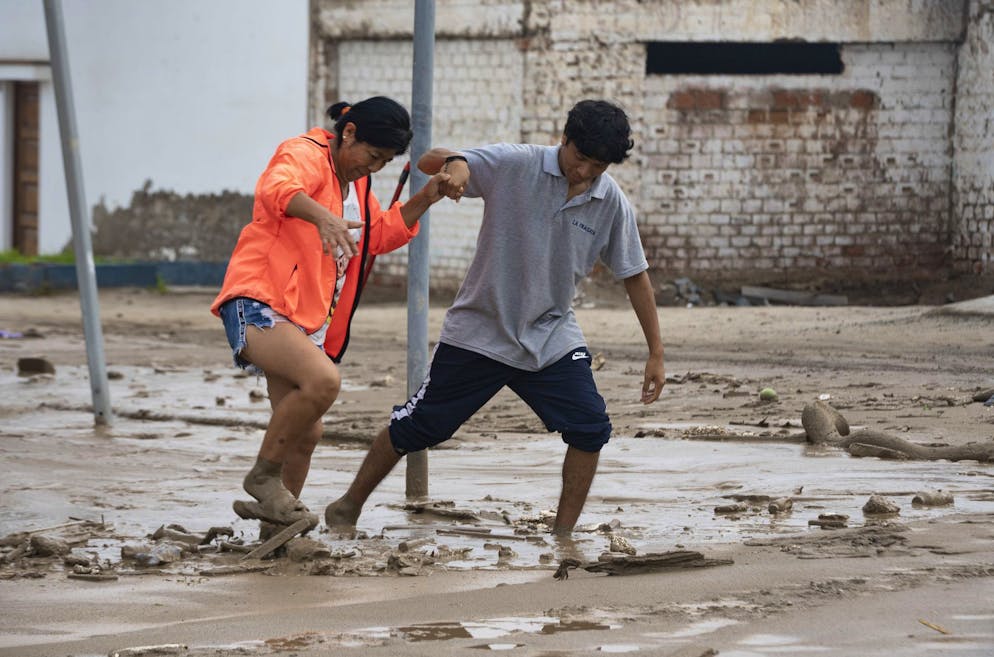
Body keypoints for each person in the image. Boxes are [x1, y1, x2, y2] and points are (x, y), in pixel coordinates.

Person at [324, 99, 665, 536]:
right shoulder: (516, 163)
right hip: (479, 331)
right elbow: (431, 161)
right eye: (579, 157)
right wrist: (457, 167)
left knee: (590, 428)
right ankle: (348, 506)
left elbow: (635, 275)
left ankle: (562, 539)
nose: (583, 172)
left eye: (597, 166)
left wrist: (656, 352)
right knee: (420, 425)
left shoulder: (610, 201)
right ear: (564, 139)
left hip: (550, 335)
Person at [210, 96, 451, 530]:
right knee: (324, 381)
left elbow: (376, 236)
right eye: (371, 156)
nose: (373, 167)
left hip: (303, 315)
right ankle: (262, 477)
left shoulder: (356, 185)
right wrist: (322, 216)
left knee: (307, 434)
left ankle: (277, 530)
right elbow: (276, 189)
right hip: (259, 300)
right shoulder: (305, 152)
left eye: (384, 162)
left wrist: (426, 197)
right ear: (349, 133)